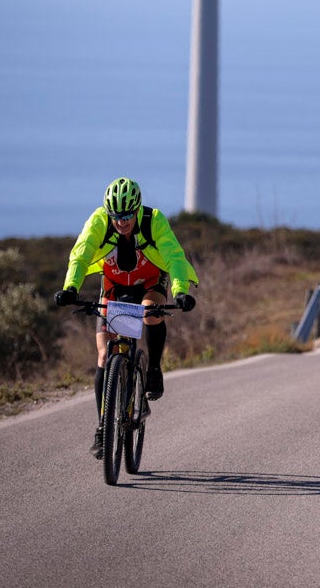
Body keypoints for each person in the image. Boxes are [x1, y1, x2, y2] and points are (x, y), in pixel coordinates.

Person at [54, 177, 198, 458]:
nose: (122, 221)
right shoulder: (99, 221)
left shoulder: (153, 220)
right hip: (114, 285)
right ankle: (102, 428)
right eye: (116, 216)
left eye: (127, 215)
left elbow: (174, 258)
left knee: (151, 315)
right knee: (103, 356)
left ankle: (154, 369)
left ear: (137, 209)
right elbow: (80, 255)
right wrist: (70, 287)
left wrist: (180, 291)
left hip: (150, 282)